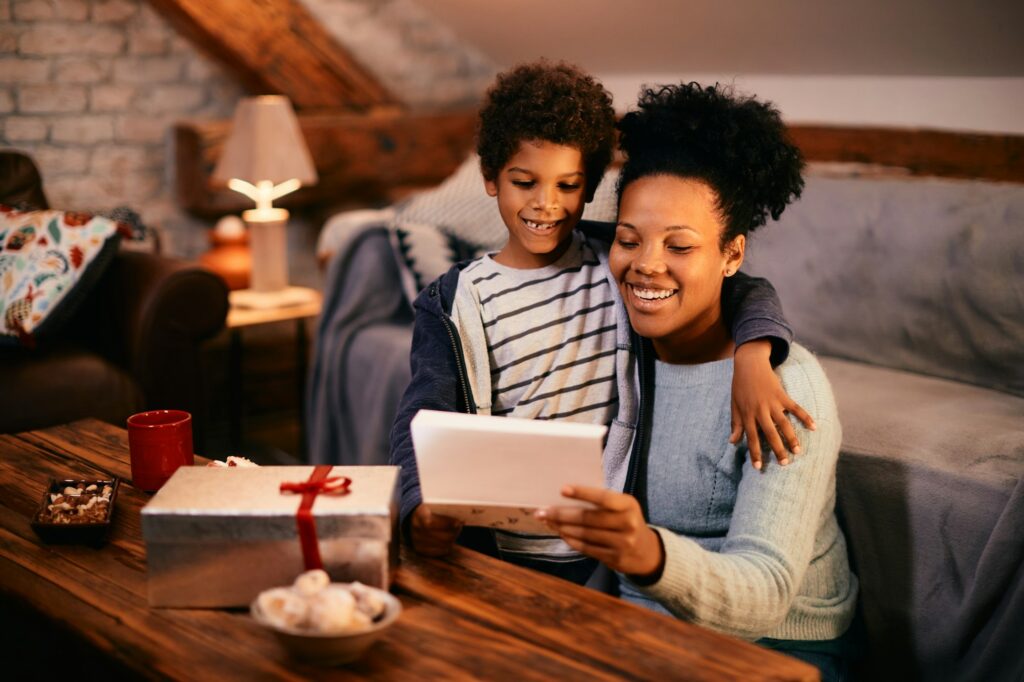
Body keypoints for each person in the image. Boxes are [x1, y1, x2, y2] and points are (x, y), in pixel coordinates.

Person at [389, 62, 812, 584]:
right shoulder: (453, 302)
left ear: (589, 189)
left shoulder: (615, 260)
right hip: (498, 544)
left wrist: (754, 354)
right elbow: (420, 416)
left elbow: (743, 286)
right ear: (491, 178)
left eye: (568, 185)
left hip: (599, 553)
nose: (546, 204)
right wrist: (417, 506)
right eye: (525, 182)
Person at [538, 82, 859, 677]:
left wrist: (649, 555)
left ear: (732, 255)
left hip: (776, 649)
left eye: (680, 245)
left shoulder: (788, 387)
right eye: (629, 240)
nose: (647, 264)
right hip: (640, 635)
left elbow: (766, 591)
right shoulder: (617, 345)